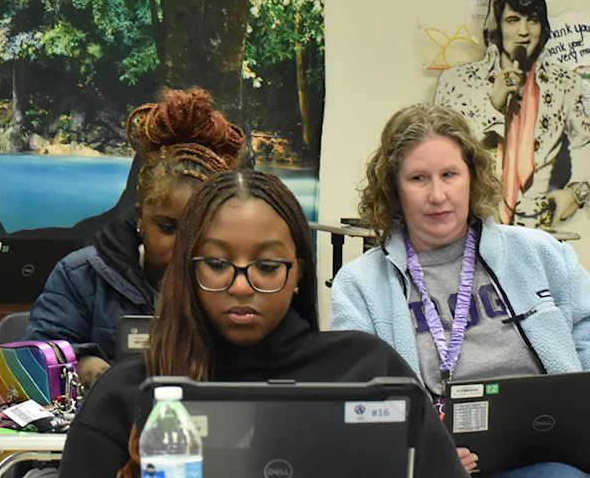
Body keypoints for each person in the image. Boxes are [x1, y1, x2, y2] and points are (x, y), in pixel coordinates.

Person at [59, 170, 466, 478]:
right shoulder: (126, 397)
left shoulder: (369, 371)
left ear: (297, 274)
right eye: (217, 265)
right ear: (188, 270)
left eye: (267, 266)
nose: (240, 286)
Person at [331, 103, 590, 477]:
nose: (437, 195)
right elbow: (354, 402)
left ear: (472, 176)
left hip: (550, 456)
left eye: (449, 174)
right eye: (418, 178)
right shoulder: (359, 286)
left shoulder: (542, 254)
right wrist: (421, 449)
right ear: (394, 189)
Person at [24, 87, 245, 388]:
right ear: (141, 218)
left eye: (198, 230)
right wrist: (84, 365)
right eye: (167, 228)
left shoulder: (239, 285)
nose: (181, 245)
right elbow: (35, 358)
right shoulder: (81, 276)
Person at [435, 0, 590, 228]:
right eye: (513, 20)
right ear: (496, 26)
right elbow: (440, 152)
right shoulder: (458, 81)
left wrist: (577, 190)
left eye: (533, 20)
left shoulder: (565, 83)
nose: (524, 31)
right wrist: (493, 107)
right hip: (468, 225)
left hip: (536, 227)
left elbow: (586, 141)